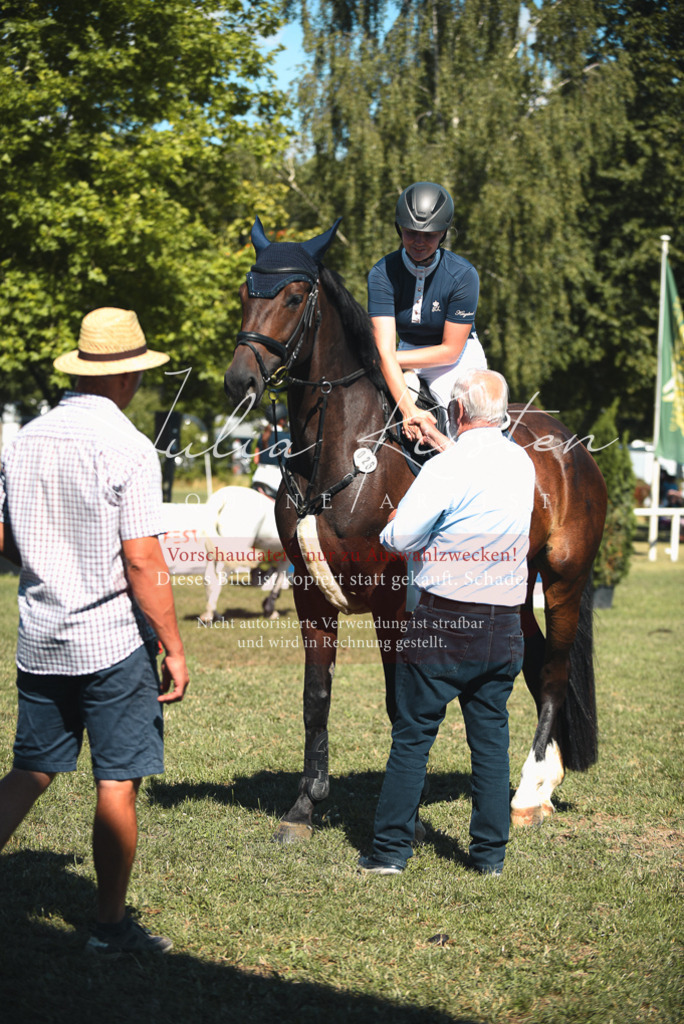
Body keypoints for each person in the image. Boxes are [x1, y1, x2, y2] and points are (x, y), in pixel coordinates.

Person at [0, 307, 190, 956]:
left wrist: (44, 557)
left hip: (41, 636)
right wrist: (174, 645)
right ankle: (110, 927)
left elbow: (3, 531)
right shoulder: (129, 447)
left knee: (30, 770)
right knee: (116, 781)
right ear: (129, 376)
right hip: (111, 642)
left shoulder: (23, 439)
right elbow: (142, 559)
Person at [359, 368, 535, 877]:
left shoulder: (446, 468)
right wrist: (444, 442)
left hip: (443, 620)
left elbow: (401, 538)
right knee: (491, 742)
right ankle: (490, 857)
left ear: (456, 411)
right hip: (503, 623)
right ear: (502, 413)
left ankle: (389, 852)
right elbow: (478, 470)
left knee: (413, 737)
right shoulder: (522, 462)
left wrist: (395, 526)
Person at [368, 181, 487, 443]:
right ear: (399, 228)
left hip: (456, 359)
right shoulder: (381, 273)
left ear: (443, 233)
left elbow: (449, 351)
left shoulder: (463, 275)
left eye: (429, 234)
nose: (419, 242)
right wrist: (408, 409)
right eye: (411, 232)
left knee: (467, 424)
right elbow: (383, 347)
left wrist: (386, 359)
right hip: (404, 352)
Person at [251, 402, 291, 499]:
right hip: (275, 480)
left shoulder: (262, 436)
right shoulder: (288, 437)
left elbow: (256, 460)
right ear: (282, 420)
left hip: (258, 477)